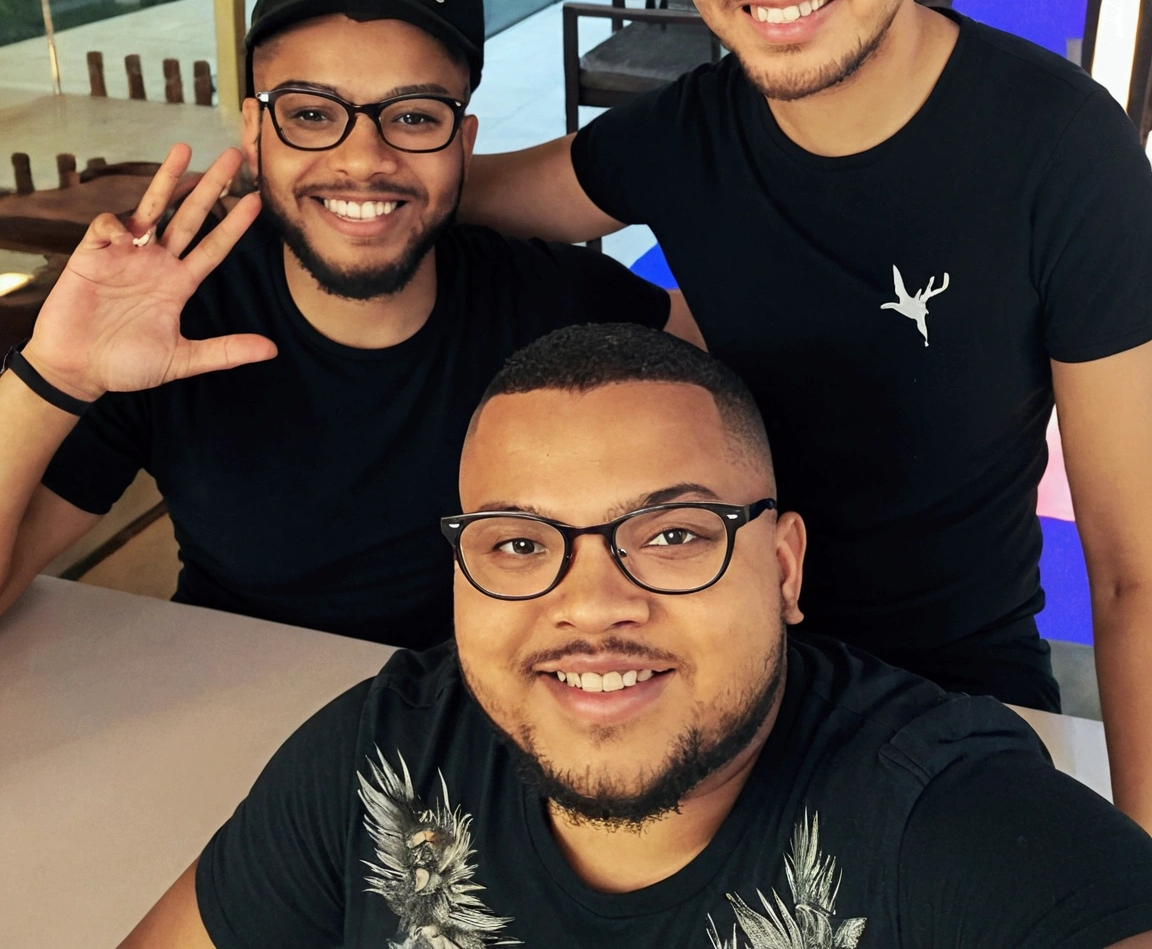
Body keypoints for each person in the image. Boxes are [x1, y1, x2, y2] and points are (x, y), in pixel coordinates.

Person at [298, 0, 1152, 834]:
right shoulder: (692, 132)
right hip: (698, 684)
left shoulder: (1060, 152)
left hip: (946, 700)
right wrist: (305, 166)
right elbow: (463, 185)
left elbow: (1134, 573)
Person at [120, 323, 1152, 948]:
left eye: (670, 534)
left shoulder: (938, 820)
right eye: (520, 544)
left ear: (784, 568)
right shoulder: (381, 765)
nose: (592, 605)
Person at [0, 0, 692, 648]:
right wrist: (55, 374)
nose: (363, 158)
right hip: (231, 694)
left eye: (415, 116)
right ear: (252, 131)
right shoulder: (175, 317)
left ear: (463, 143)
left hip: (475, 713)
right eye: (309, 113)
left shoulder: (551, 301)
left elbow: (751, 376)